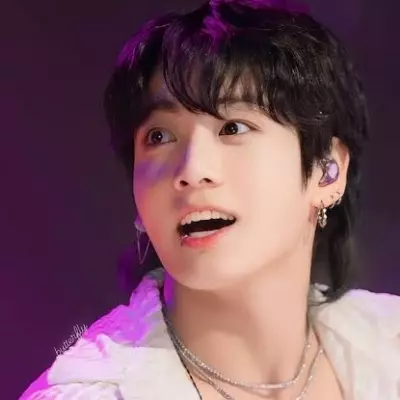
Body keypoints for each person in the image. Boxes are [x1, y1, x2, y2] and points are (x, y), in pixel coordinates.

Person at [20, 0, 400, 399]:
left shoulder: (388, 345)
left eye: (233, 127)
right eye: (159, 136)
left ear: (327, 171)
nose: (191, 169)